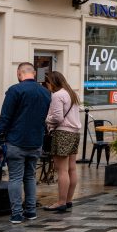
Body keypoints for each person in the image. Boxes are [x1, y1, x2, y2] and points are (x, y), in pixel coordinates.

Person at [0, 62, 51, 224]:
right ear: (33, 73)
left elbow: (5, 118)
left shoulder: (15, 90)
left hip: (16, 141)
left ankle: (17, 213)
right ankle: (31, 211)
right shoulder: (46, 93)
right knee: (30, 177)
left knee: (16, 178)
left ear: (19, 74)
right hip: (36, 141)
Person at [41, 71, 81, 213]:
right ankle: (68, 200)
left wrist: (46, 119)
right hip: (75, 133)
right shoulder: (72, 94)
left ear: (52, 82)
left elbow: (57, 118)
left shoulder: (57, 95)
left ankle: (61, 202)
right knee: (72, 168)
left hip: (63, 133)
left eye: (48, 83)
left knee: (62, 170)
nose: (47, 86)